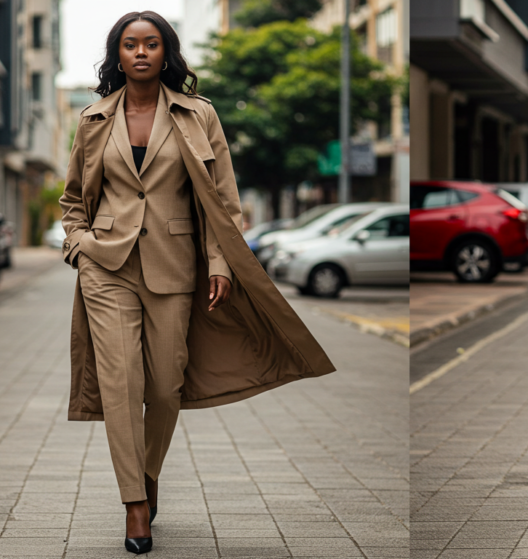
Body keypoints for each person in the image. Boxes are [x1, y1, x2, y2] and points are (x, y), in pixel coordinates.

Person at [59, 11, 335, 554]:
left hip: (175, 263)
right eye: (131, 44)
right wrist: (79, 246)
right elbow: (73, 199)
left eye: (152, 43)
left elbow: (223, 201)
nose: (141, 53)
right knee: (121, 387)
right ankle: (135, 505)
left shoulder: (198, 114)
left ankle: (148, 475)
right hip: (107, 267)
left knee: (165, 386)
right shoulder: (93, 119)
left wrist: (219, 261)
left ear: (167, 52)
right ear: (117, 54)